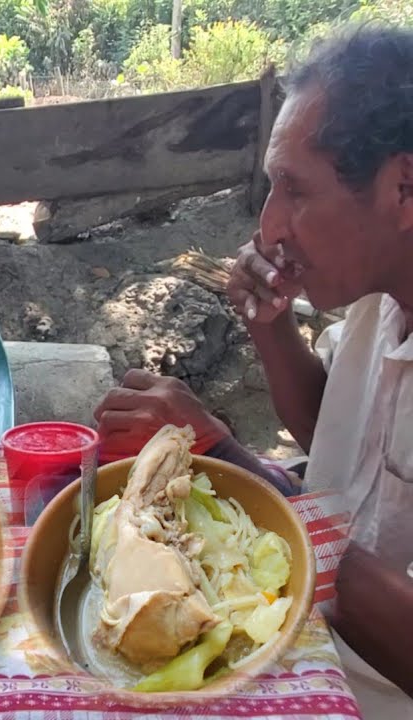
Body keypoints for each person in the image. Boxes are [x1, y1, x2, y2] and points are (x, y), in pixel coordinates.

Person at [93, 27, 413, 713]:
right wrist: (269, 329)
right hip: (298, 627)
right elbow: (333, 431)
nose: (269, 230)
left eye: (295, 191)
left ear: (402, 188)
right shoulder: (378, 301)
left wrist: (230, 456)